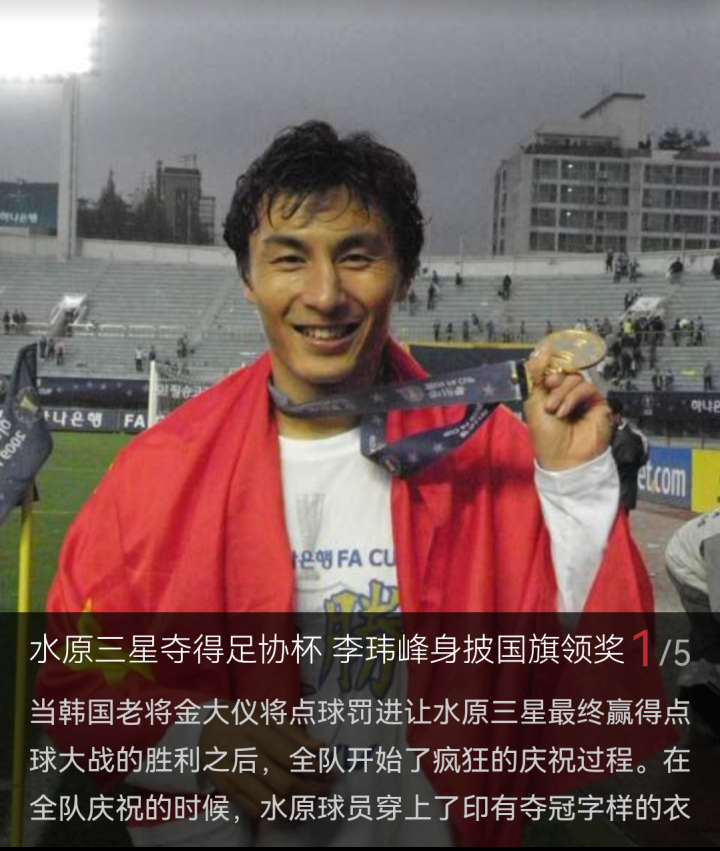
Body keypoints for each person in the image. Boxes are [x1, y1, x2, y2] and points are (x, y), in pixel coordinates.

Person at [42, 121, 663, 847]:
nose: (324, 293)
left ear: (404, 274)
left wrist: (575, 485)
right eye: (289, 258)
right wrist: (199, 736)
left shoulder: (494, 459)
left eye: (357, 256)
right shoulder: (157, 470)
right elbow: (76, 673)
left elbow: (594, 679)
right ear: (248, 278)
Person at [665, 508, 720, 734]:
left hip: (701, 556)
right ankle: (706, 714)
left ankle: (690, 690)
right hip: (688, 570)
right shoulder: (716, 543)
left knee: (703, 640)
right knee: (712, 643)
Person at [607, 398, 648, 513]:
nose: (605, 420)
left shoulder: (631, 437)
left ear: (617, 416)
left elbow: (640, 459)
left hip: (621, 495)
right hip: (611, 495)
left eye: (608, 416)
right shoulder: (611, 433)